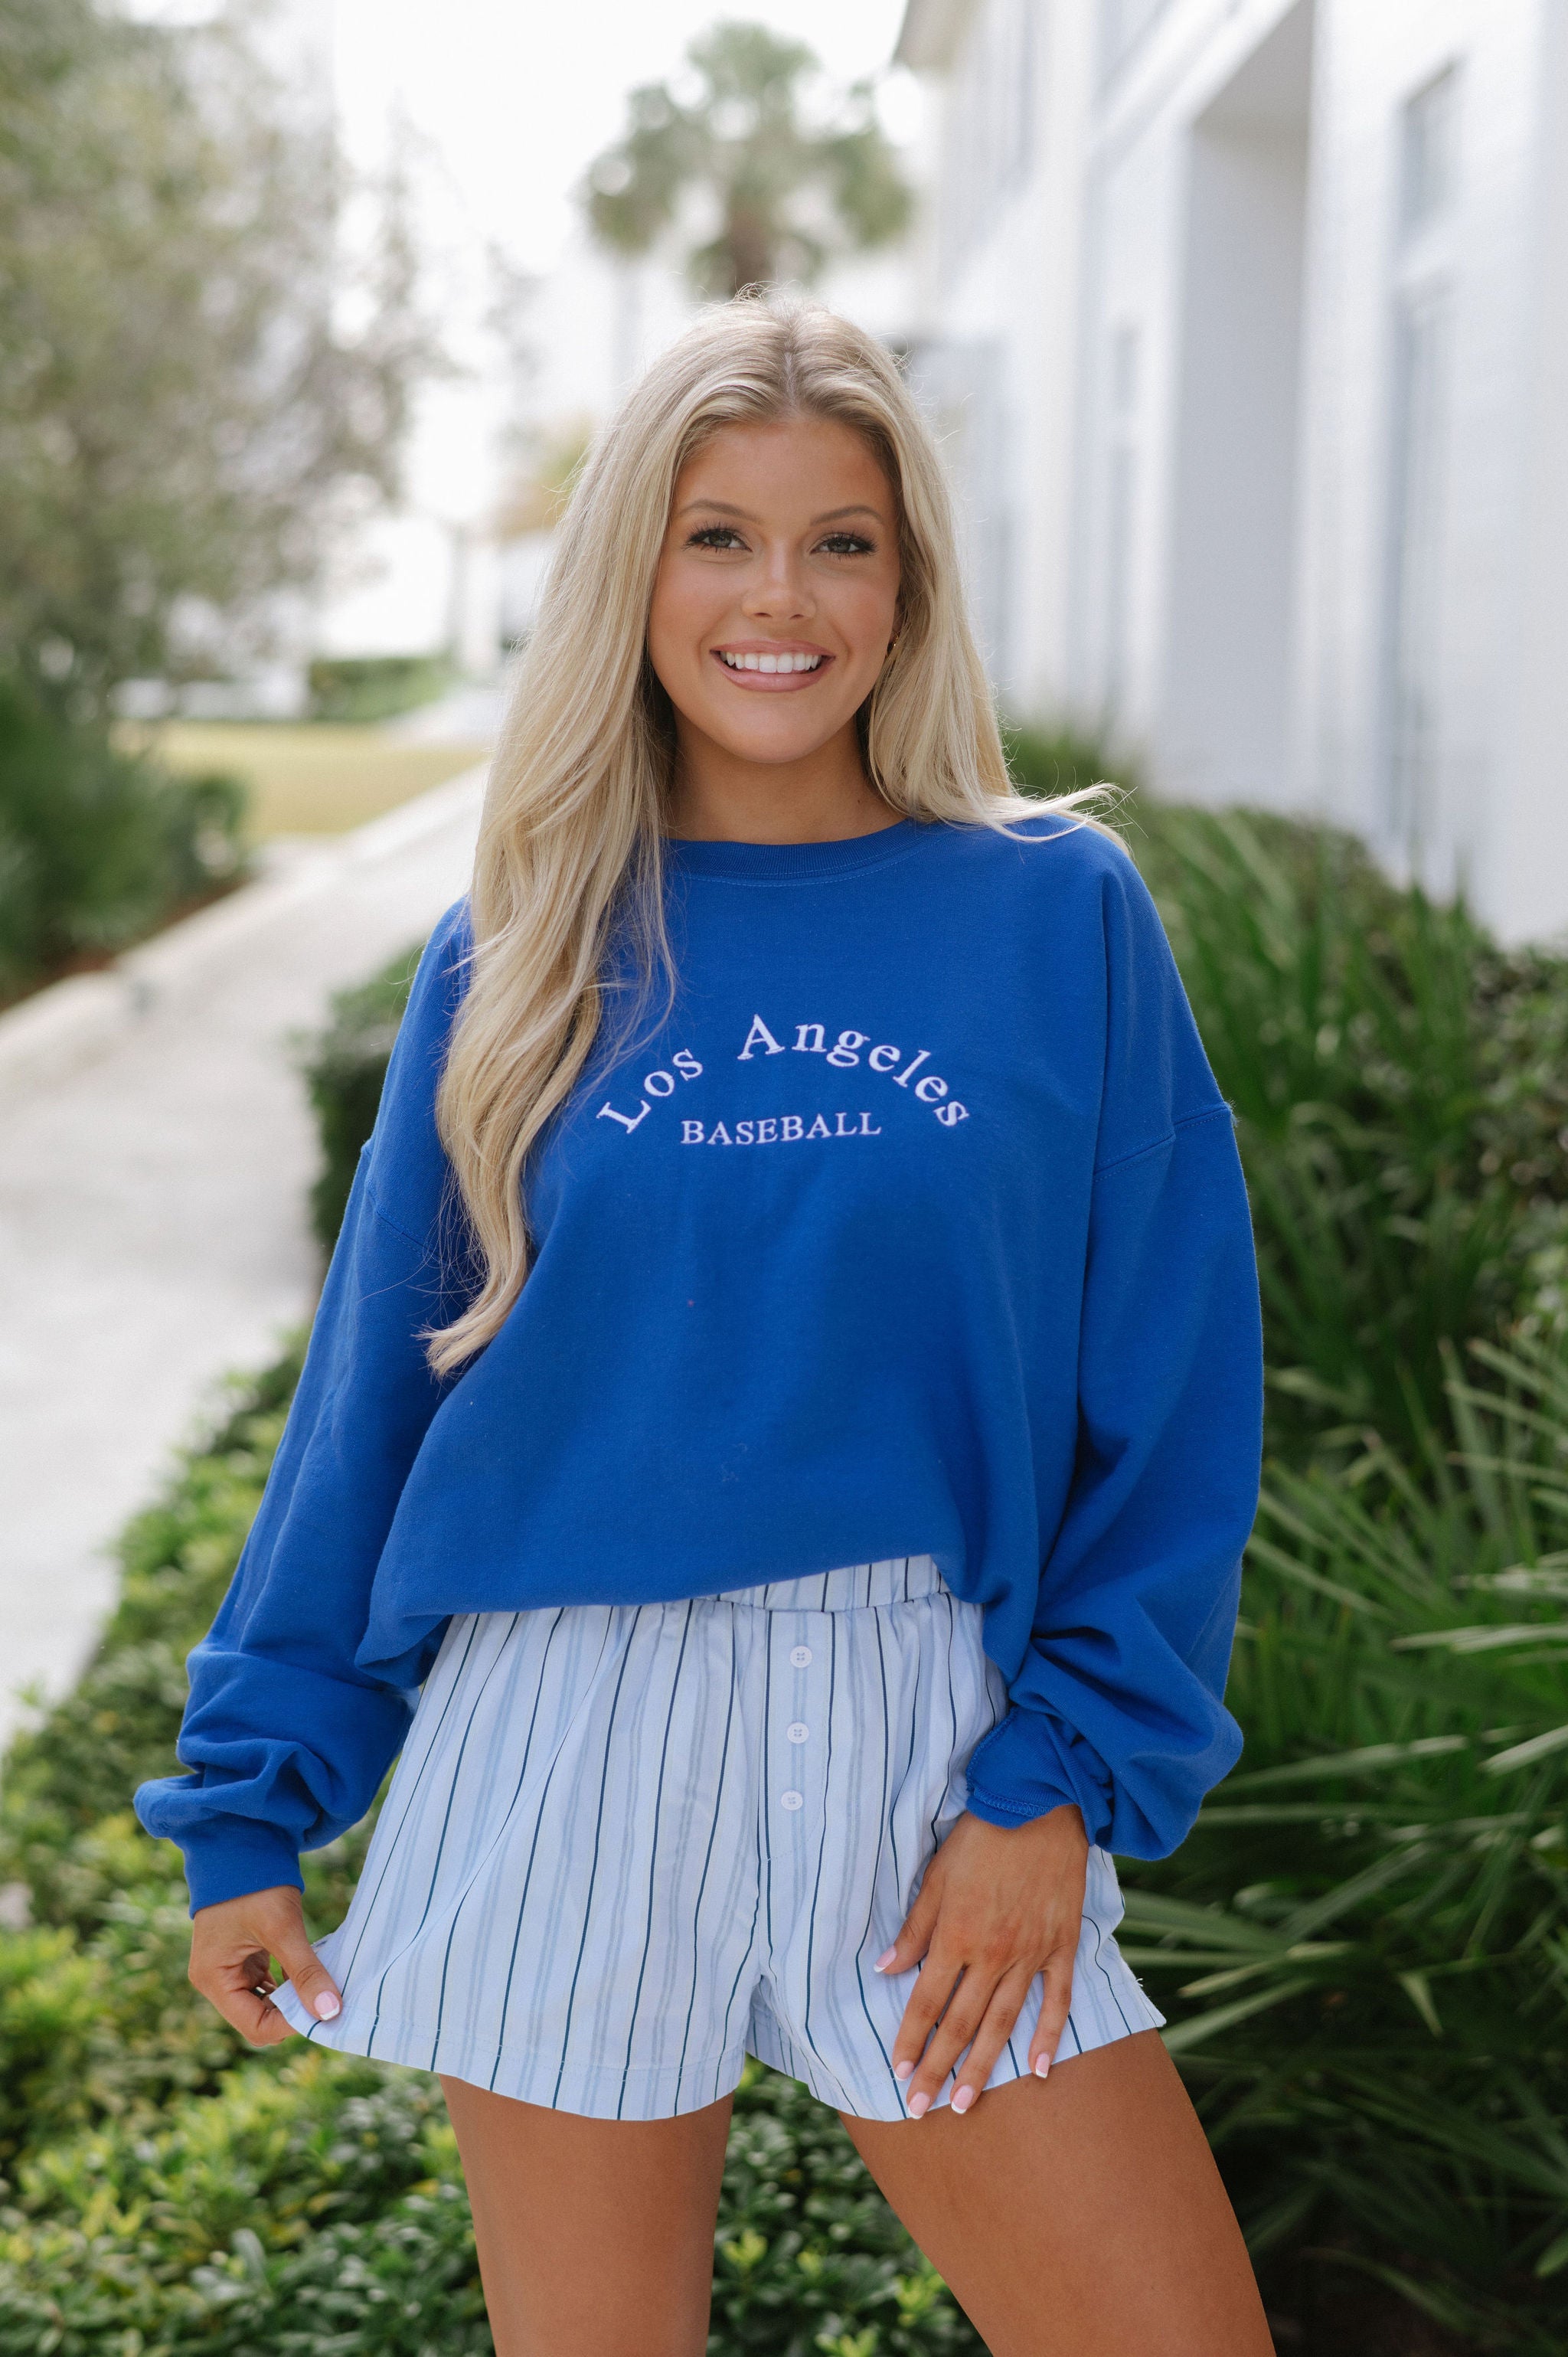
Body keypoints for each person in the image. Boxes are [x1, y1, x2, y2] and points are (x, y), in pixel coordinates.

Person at [136, 297, 1272, 2356]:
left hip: (932, 1734)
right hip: (568, 1718)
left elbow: (1173, 1394)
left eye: (842, 539)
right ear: (631, 578)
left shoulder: (1055, 913)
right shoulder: (523, 945)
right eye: (716, 535)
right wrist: (249, 1804)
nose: (781, 597)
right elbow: (377, 1403)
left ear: (907, 579)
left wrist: (1056, 1779)